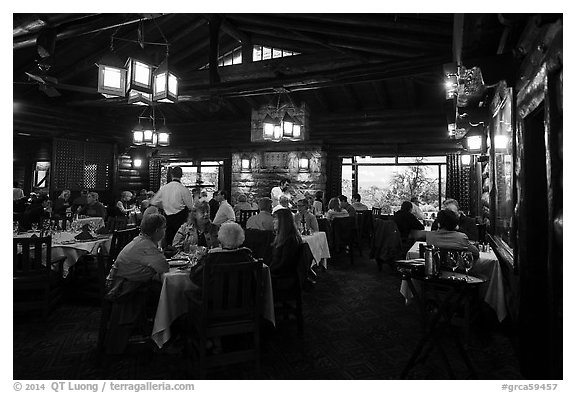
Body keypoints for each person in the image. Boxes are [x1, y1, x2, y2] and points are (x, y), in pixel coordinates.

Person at [106, 213, 169, 298]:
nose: (165, 230)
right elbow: (164, 267)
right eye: (164, 227)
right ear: (157, 230)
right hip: (124, 290)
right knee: (166, 290)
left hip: (118, 282)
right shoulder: (147, 246)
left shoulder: (140, 240)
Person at [189, 222, 255, 288]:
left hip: (214, 297)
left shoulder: (212, 257)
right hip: (242, 297)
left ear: (220, 238)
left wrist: (201, 259)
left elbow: (195, 277)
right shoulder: (247, 257)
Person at [150, 166, 195, 246]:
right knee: (178, 243)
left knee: (169, 242)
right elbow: (191, 207)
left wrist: (164, 205)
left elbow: (153, 202)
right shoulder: (183, 189)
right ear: (181, 175)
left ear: (171, 175)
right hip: (180, 219)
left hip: (167, 219)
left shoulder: (164, 188)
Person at [269, 208, 303, 278]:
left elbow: (284, 264)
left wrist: (268, 271)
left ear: (283, 221)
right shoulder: (284, 237)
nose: (273, 221)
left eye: (276, 219)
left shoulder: (290, 240)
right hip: (279, 274)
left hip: (283, 278)